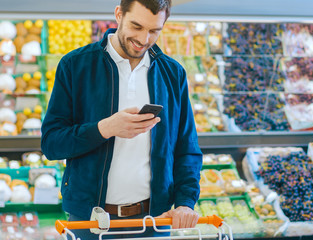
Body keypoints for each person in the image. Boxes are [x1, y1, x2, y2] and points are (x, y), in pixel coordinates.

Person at [41, 0, 203, 239]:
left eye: (154, 30)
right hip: (89, 223)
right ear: (119, 15)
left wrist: (186, 202)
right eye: (136, 26)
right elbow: (52, 144)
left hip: (154, 222)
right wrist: (105, 128)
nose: (144, 39)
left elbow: (186, 149)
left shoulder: (173, 74)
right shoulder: (76, 65)